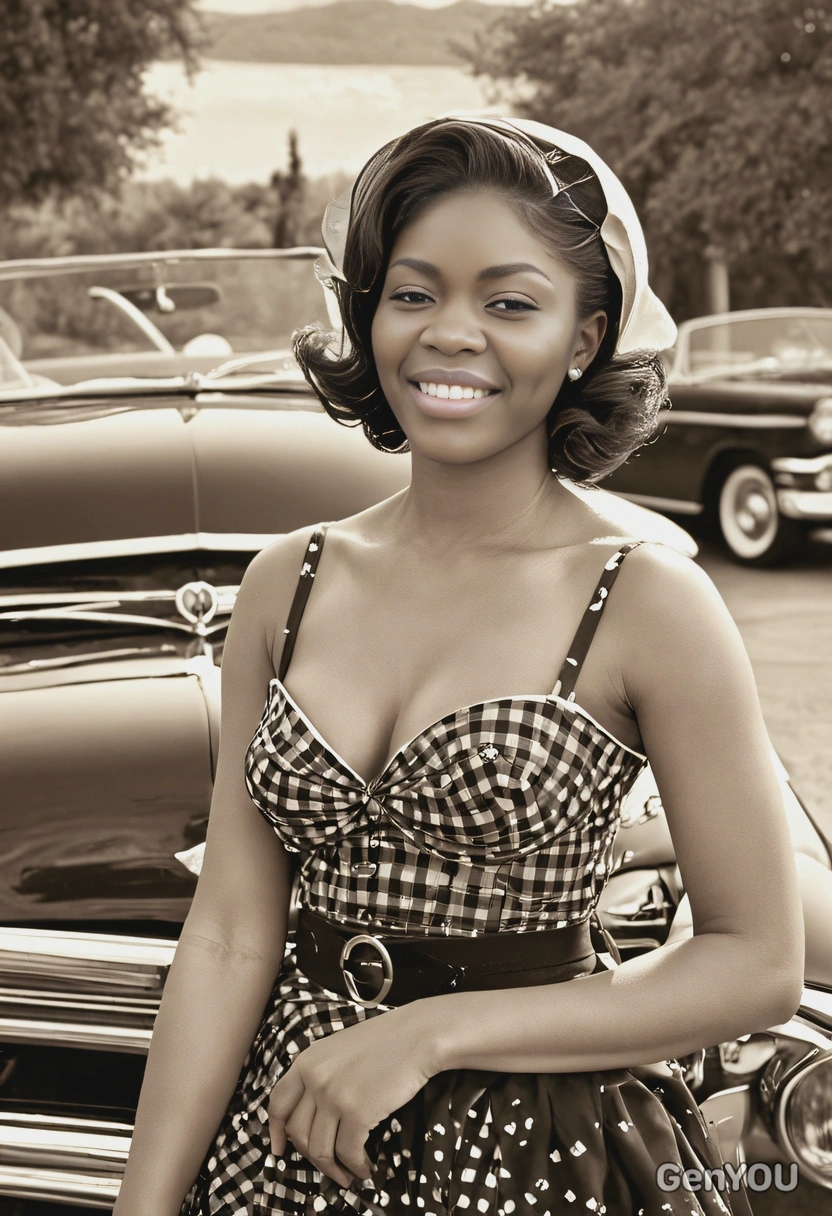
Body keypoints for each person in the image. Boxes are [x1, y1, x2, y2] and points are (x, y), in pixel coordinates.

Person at [113, 117, 804, 1216]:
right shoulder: (282, 583)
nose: (450, 334)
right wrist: (143, 1206)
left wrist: (426, 1033)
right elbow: (233, 933)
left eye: (510, 302)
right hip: (282, 1150)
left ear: (584, 339)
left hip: (537, 1157)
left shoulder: (646, 597)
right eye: (414, 292)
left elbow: (754, 961)